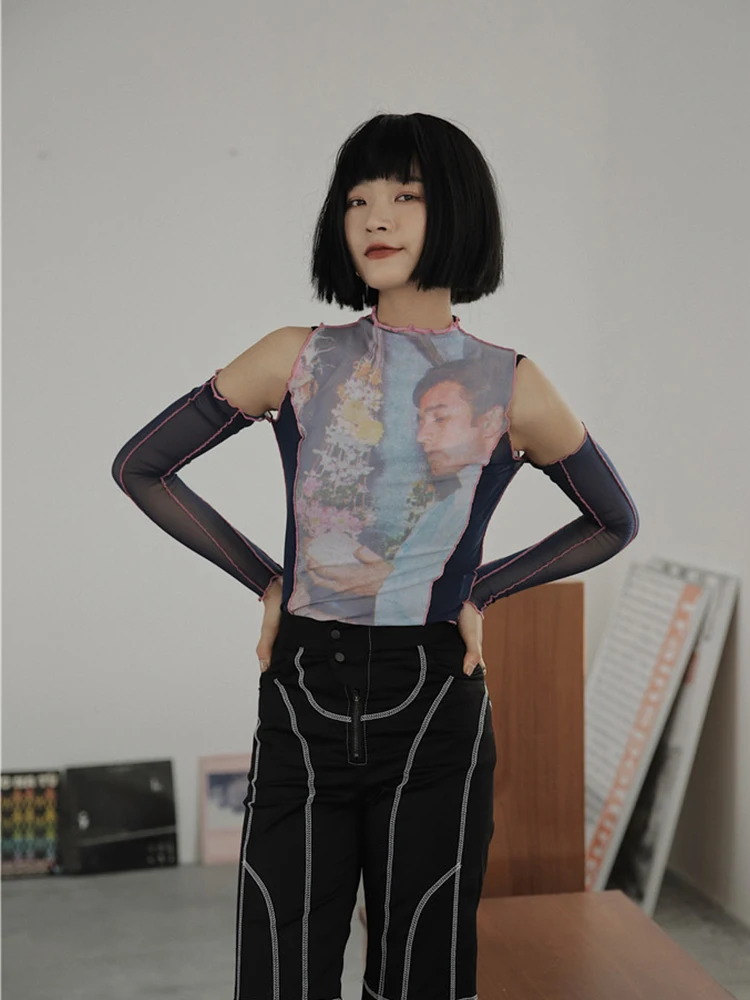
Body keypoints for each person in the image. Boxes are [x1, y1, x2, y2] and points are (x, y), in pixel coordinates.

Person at [112, 112, 639, 1000]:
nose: (376, 218)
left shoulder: (511, 382)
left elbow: (613, 519)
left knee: (422, 977)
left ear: (458, 210)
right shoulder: (295, 357)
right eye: (357, 200)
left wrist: (478, 590)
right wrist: (269, 580)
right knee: (281, 976)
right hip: (302, 697)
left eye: (405, 196)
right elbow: (142, 466)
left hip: (435, 704)